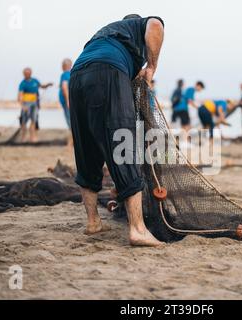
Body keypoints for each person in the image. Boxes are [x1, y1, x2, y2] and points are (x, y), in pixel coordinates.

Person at [69, 14, 165, 246]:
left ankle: (93, 222)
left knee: (87, 147)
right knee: (124, 146)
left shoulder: (109, 34)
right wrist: (152, 66)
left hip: (77, 75)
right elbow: (155, 25)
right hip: (107, 71)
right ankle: (138, 230)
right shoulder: (140, 24)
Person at [18, 67, 53, 142]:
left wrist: (48, 85)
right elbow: (20, 96)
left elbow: (42, 86)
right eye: (25, 73)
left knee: (34, 120)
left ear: (30, 73)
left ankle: (32, 137)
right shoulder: (22, 83)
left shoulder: (35, 80)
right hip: (26, 104)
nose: (27, 74)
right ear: (24, 74)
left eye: (28, 73)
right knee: (23, 121)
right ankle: (23, 138)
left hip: (35, 104)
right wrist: (23, 106)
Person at [59, 58, 73, 147]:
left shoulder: (64, 75)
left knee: (70, 124)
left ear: (63, 66)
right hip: (72, 102)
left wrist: (68, 101)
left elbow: (64, 88)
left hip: (68, 102)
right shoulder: (72, 74)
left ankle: (70, 143)